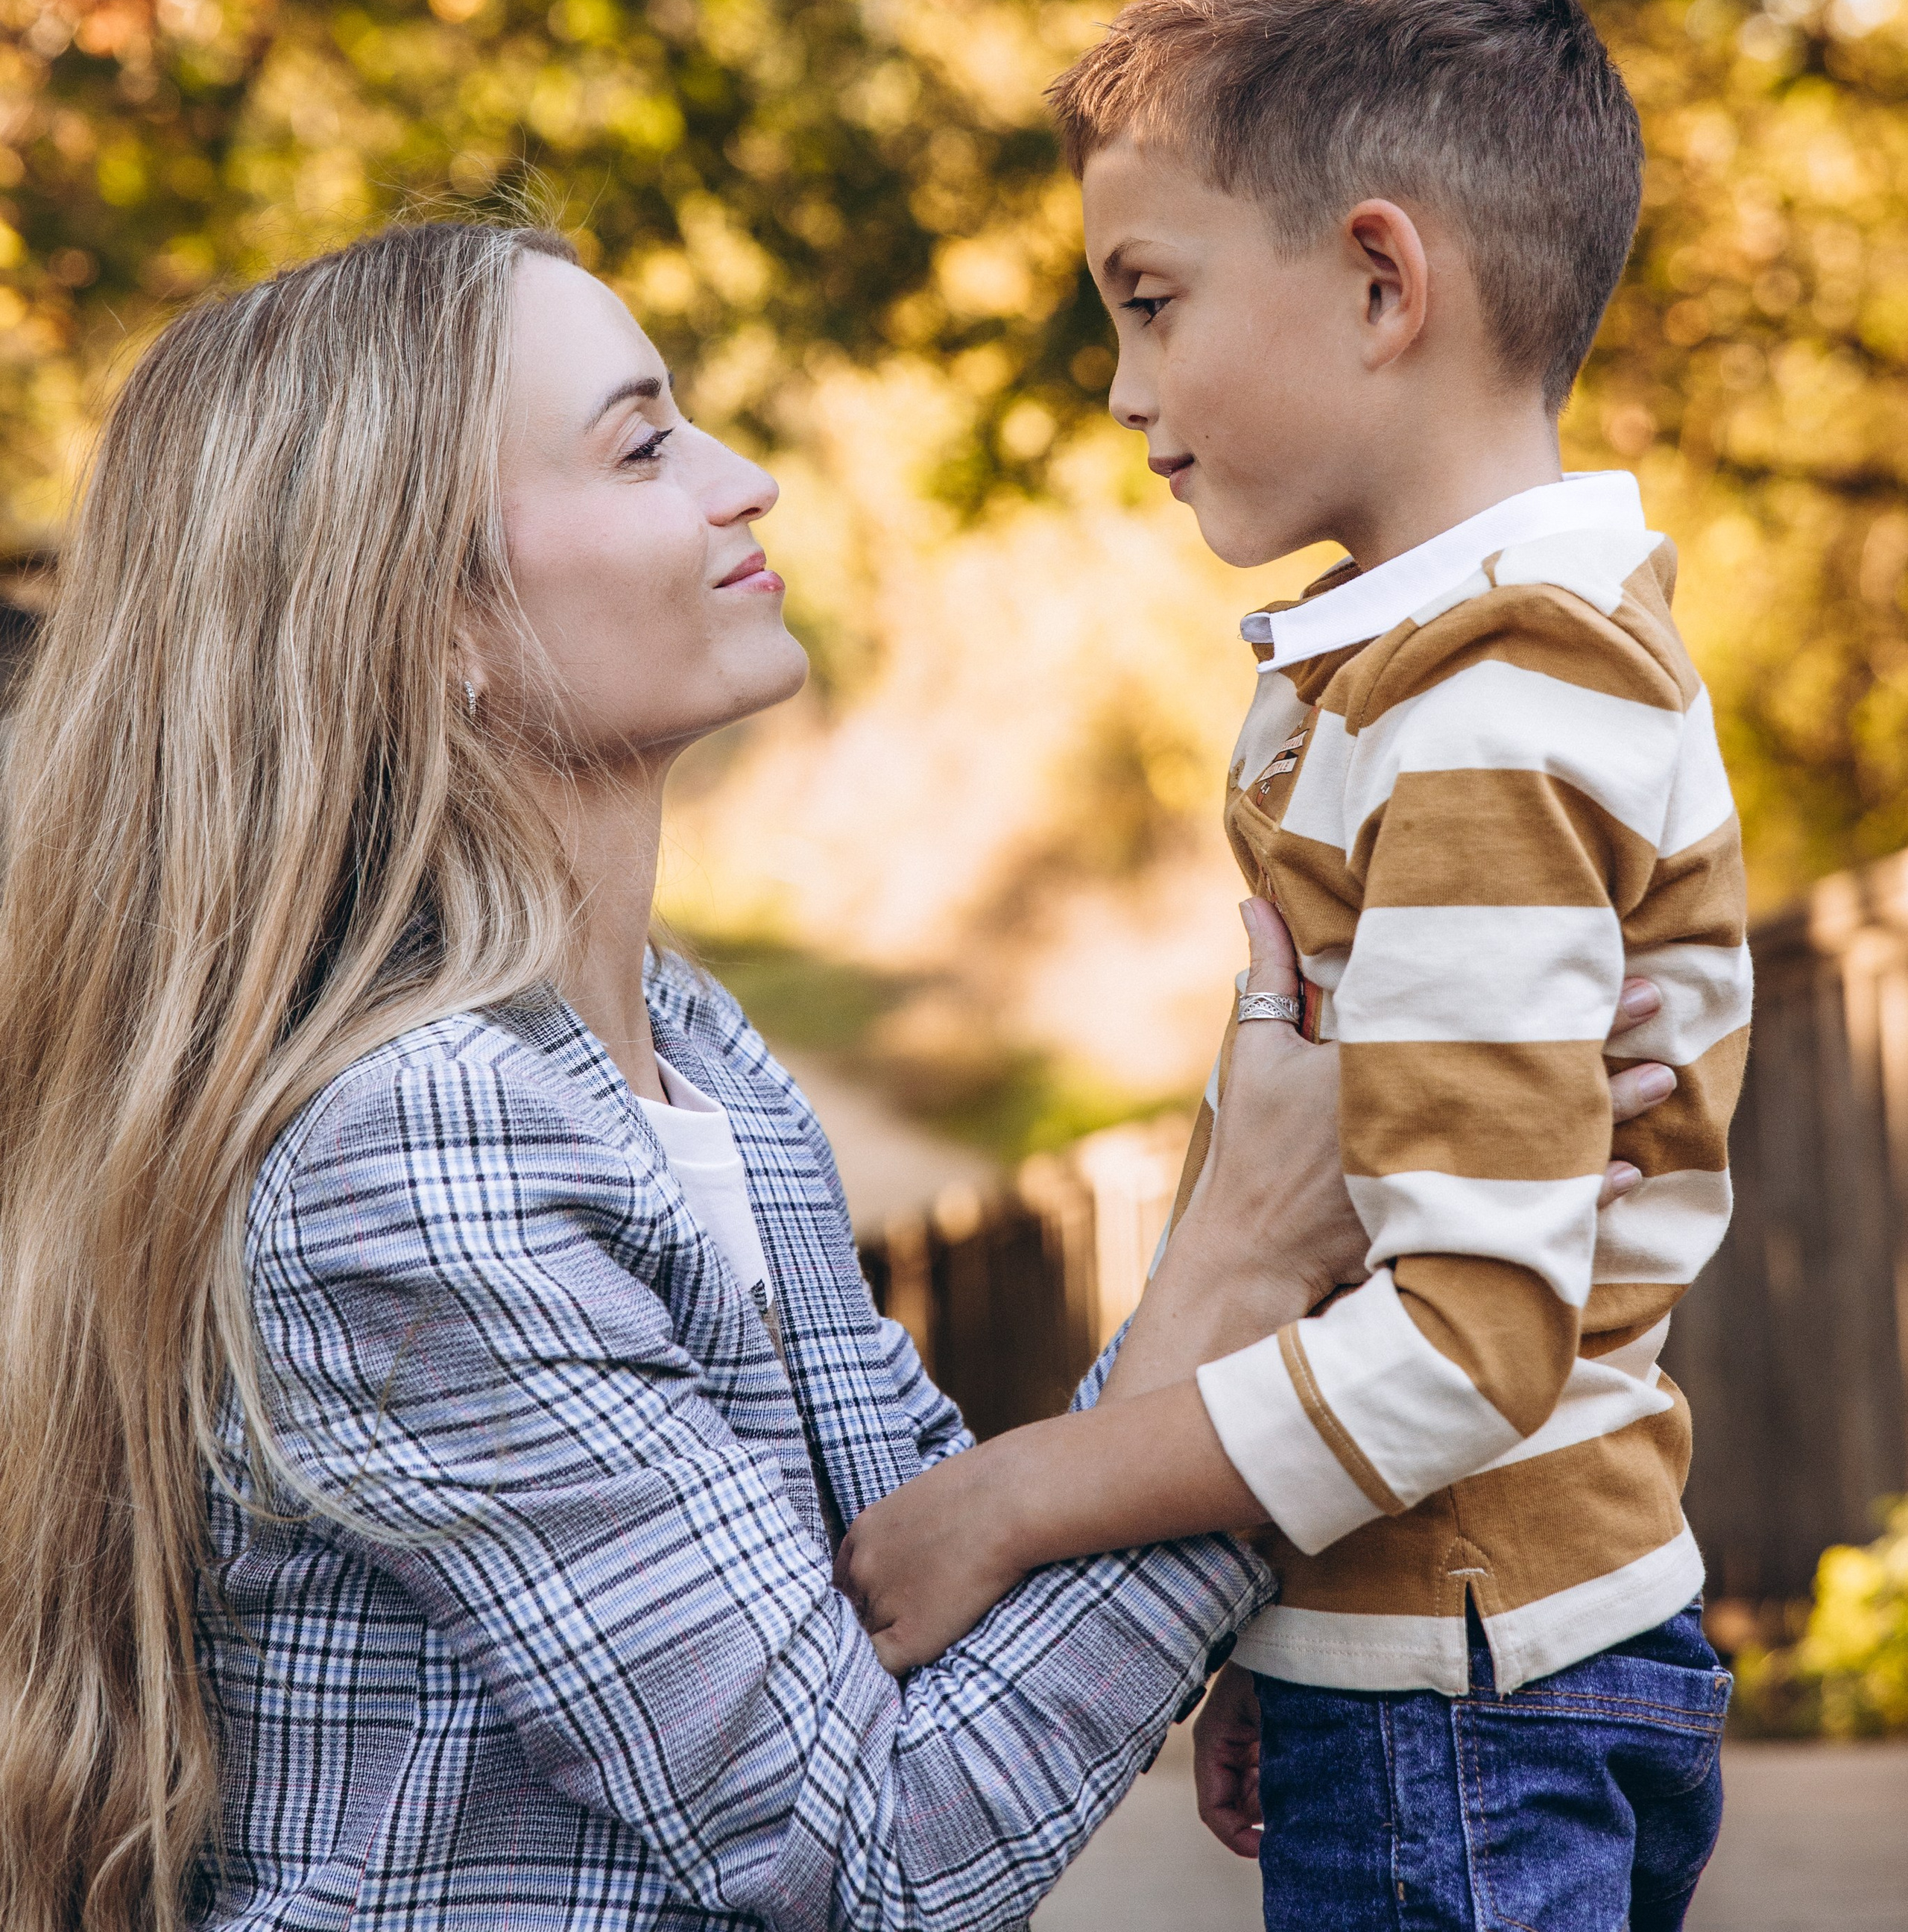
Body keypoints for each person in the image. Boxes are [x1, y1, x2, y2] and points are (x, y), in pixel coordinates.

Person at [0, 215, 1684, 1932]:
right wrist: (1254, 1249)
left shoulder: (696, 1062)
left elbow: (925, 1587)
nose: (744, 482)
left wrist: (1280, 1271)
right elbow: (882, 1850)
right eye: (642, 446)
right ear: (435, 623)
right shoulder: (421, 1146)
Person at [836, 0, 1746, 1932]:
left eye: (1149, 303)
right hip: (1452, 1654)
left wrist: (1015, 1498)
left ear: (1379, 283)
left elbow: (1469, 1343)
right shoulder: (1457, 681)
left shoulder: (1489, 716)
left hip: (1470, 1703)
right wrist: (1275, 1615)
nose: (1124, 390)